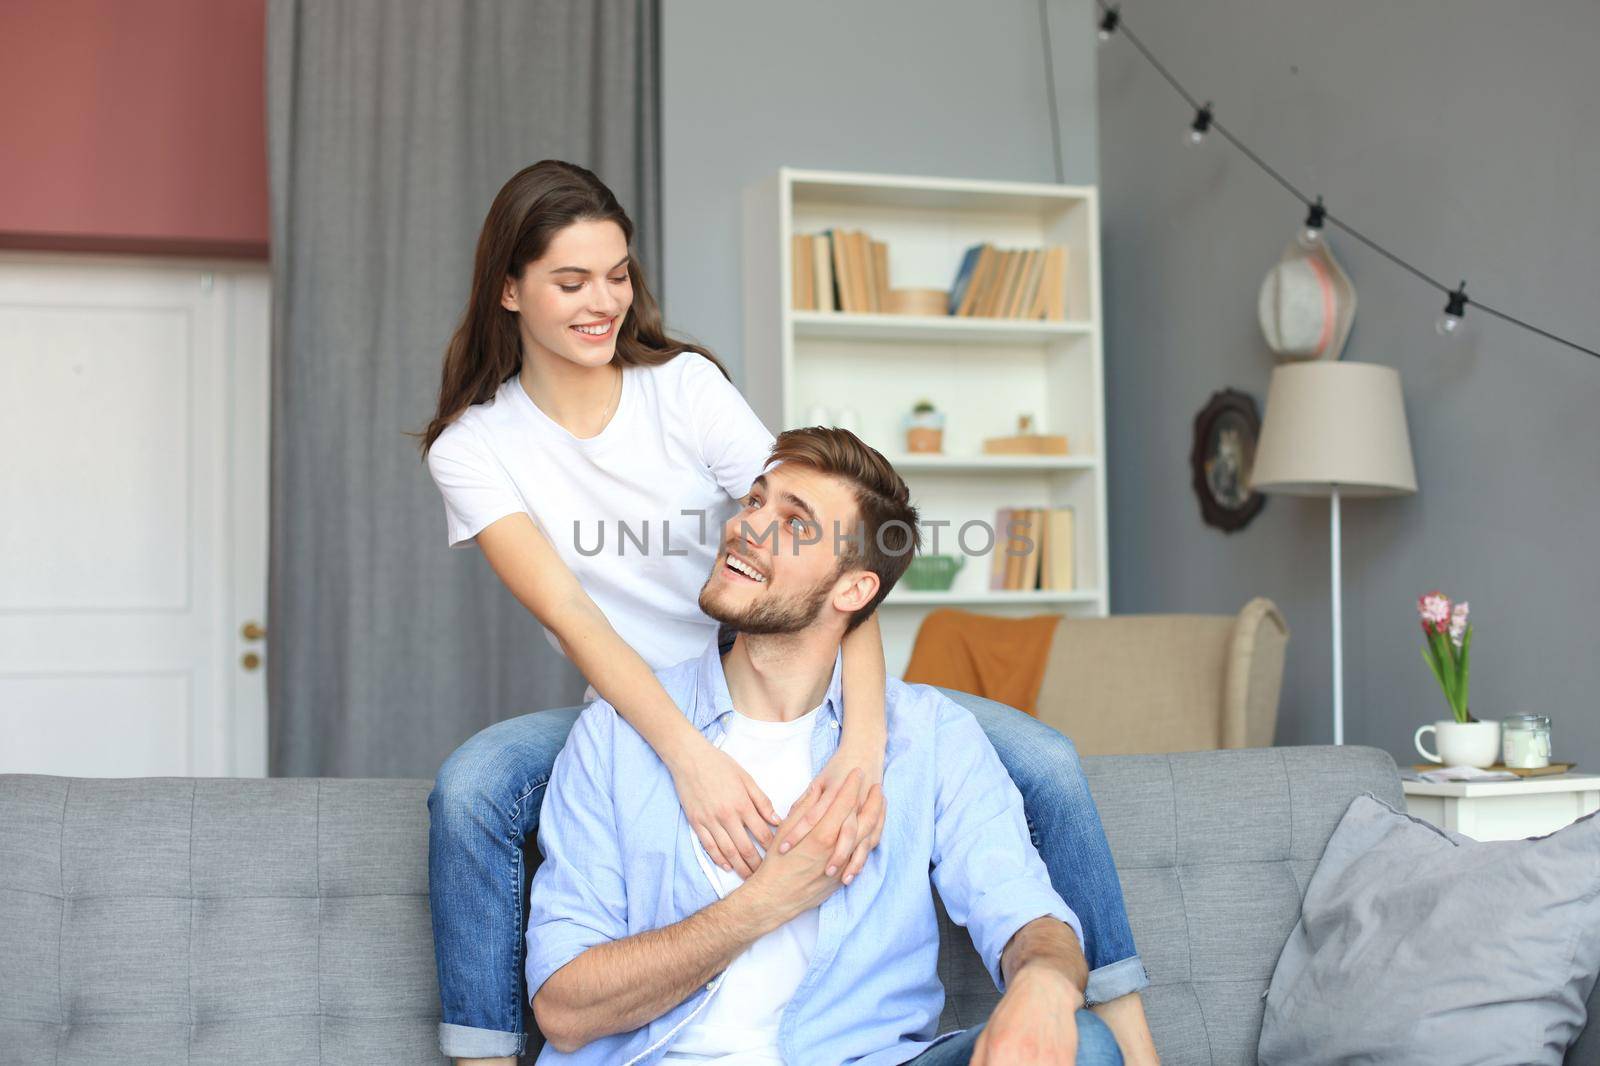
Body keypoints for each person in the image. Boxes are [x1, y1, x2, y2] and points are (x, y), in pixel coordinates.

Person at [420, 160, 1157, 1065]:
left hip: (772, 662)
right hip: (643, 700)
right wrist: (690, 758)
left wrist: (862, 745)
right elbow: (576, 616)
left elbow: (841, 554)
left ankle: (1127, 1027)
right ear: (508, 288)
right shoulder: (477, 446)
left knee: (1041, 757)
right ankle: (484, 1054)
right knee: (474, 787)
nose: (601, 302)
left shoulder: (681, 387)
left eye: (617, 276)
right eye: (570, 282)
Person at [527, 427, 1124, 1065]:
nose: (746, 527)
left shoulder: (930, 739)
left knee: (1083, 1045)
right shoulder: (617, 737)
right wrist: (763, 903)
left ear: (853, 591)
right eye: (755, 502)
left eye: (795, 524)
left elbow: (1024, 912)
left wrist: (1043, 979)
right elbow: (563, 1008)